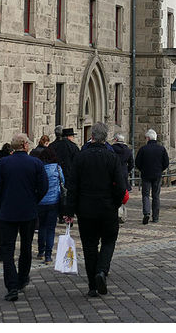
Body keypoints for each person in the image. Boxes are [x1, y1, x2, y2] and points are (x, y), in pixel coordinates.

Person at [64, 122, 127, 298]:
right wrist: (114, 203)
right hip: (107, 208)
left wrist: (70, 210)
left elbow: (72, 186)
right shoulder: (111, 157)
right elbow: (121, 186)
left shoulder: (81, 157)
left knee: (90, 246)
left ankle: (93, 285)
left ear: (92, 136)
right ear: (105, 137)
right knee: (109, 240)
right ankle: (102, 271)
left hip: (86, 209)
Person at [0, 133, 48, 302]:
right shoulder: (35, 163)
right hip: (28, 211)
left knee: (7, 250)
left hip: (8, 212)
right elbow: (43, 186)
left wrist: (3, 202)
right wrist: (34, 200)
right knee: (26, 247)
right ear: (24, 145)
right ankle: (22, 279)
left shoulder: (2, 163)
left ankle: (12, 285)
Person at [36, 146, 64, 264]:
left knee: (42, 226)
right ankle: (48, 255)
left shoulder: (39, 168)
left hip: (41, 201)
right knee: (51, 229)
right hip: (54, 201)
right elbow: (63, 181)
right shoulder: (57, 168)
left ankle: (41, 251)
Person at [135, 128, 169, 224]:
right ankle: (156, 217)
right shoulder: (161, 149)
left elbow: (137, 162)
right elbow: (166, 162)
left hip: (146, 174)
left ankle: (146, 213)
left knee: (145, 195)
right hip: (157, 175)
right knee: (156, 196)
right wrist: (160, 169)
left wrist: (142, 169)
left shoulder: (143, 149)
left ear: (148, 138)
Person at [111, 133, 134, 223]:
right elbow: (131, 163)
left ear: (116, 140)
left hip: (113, 173)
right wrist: (127, 170)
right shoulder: (128, 150)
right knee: (122, 194)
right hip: (123, 173)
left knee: (113, 194)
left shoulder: (112, 149)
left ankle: (116, 213)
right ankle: (121, 213)